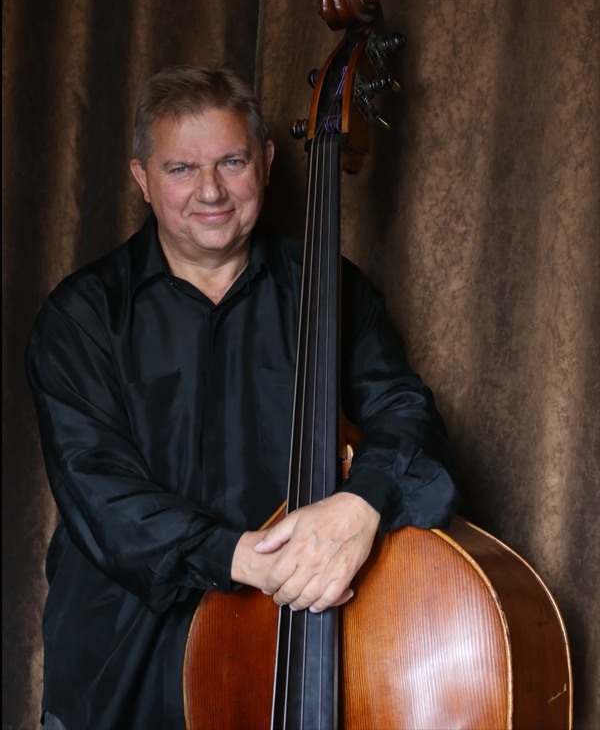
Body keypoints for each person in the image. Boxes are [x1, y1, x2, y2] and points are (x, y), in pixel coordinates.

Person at [27, 64, 460, 730]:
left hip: (288, 650)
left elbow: (410, 418)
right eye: (181, 169)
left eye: (231, 162)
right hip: (121, 668)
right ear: (142, 178)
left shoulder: (332, 289)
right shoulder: (82, 317)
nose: (210, 191)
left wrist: (362, 503)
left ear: (265, 161)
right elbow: (97, 489)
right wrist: (250, 561)